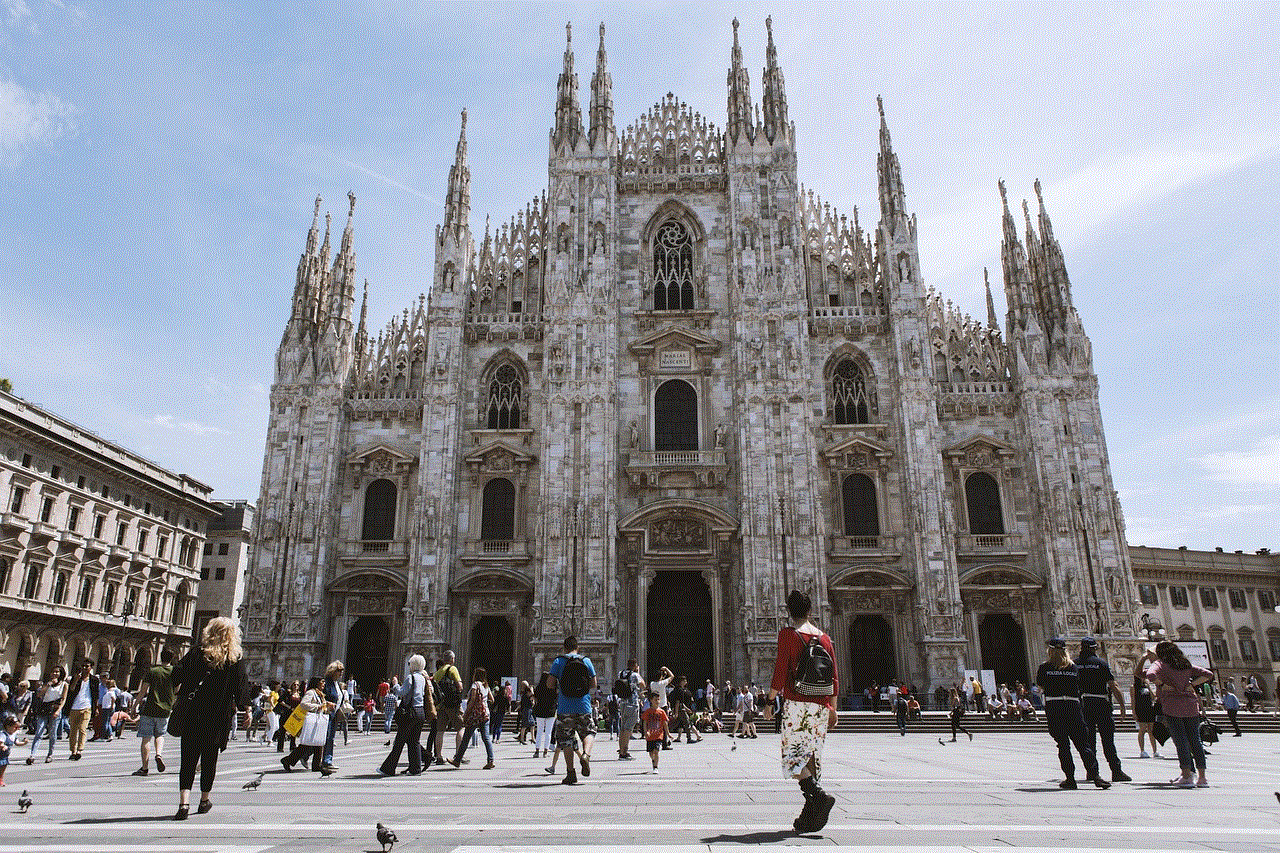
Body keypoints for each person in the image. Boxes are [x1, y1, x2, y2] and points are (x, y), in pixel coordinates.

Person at [768, 590, 839, 835]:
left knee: (793, 759)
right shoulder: (825, 638)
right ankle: (809, 816)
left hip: (798, 703)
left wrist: (769, 701)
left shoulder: (789, 634)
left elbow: (780, 670)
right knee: (811, 759)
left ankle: (818, 797)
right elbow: (834, 676)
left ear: (789, 611)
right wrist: (833, 708)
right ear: (811, 611)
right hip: (821, 706)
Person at [170, 616, 248, 819]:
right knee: (209, 759)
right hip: (217, 717)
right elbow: (240, 688)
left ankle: (184, 803)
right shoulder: (234, 658)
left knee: (187, 759)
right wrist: (245, 710)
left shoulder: (197, 652)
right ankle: (204, 799)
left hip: (192, 714)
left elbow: (176, 675)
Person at [1036, 637, 1109, 790]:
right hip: (1073, 706)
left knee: (1063, 745)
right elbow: (1079, 685)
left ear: (1050, 650)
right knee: (1083, 744)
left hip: (1054, 706)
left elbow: (1040, 685)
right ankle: (1095, 776)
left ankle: (1070, 778)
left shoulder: (1045, 667)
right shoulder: (1073, 668)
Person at [1141, 642, 1213, 788]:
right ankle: (1202, 778)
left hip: (1173, 706)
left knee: (1181, 741)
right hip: (1191, 706)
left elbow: (1150, 674)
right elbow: (1208, 674)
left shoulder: (1161, 663)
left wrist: (1162, 684)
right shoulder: (1184, 664)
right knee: (1195, 741)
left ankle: (1186, 776)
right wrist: (1192, 685)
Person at [1074, 637, 1130, 782]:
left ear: (1081, 648)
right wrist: (1122, 706)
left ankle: (1092, 772)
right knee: (1108, 740)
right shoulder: (1101, 663)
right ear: (1094, 648)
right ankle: (1116, 771)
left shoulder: (1074, 664)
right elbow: (1113, 685)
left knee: (1089, 740)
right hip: (1101, 703)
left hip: (1083, 704)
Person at [549, 635, 597, 785]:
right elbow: (594, 683)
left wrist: (561, 687)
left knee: (566, 740)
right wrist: (581, 690)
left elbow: (549, 684)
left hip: (565, 707)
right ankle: (586, 755)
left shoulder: (559, 661)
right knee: (588, 732)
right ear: (578, 647)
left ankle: (571, 773)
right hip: (584, 705)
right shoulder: (586, 661)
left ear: (564, 648)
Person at [379, 654, 432, 776]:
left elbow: (402, 692)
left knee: (399, 742)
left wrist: (396, 684)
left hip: (410, 713)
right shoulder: (423, 678)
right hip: (420, 712)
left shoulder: (411, 677)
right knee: (414, 741)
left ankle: (388, 769)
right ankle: (416, 769)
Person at [131, 648, 175, 776]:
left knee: (146, 739)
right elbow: (177, 688)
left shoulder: (153, 671)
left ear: (161, 657)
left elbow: (143, 691)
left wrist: (134, 707)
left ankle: (144, 768)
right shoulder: (174, 672)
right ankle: (159, 754)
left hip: (150, 709)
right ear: (172, 658)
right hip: (165, 709)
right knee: (160, 735)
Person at [280, 677, 332, 776]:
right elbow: (303, 704)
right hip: (311, 720)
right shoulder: (311, 693)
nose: (323, 684)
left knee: (318, 742)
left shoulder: (319, 694)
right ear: (316, 683)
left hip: (317, 720)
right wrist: (318, 706)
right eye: (322, 682)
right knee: (307, 744)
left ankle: (316, 765)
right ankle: (288, 760)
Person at [449, 667, 494, 770]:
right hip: (485, 714)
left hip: (475, 716)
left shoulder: (475, 685)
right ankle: (491, 760)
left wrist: (466, 714)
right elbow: (492, 699)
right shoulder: (486, 686)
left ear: (475, 675)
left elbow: (472, 700)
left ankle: (457, 760)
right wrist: (485, 704)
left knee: (466, 738)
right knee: (486, 738)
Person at [27, 667, 66, 764]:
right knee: (39, 732)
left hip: (55, 709)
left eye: (57, 672)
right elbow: (39, 695)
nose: (54, 673)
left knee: (52, 734)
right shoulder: (47, 684)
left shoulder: (64, 684)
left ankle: (50, 754)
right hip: (44, 708)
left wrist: (58, 711)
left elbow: (63, 699)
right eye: (53, 672)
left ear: (61, 673)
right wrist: (48, 685)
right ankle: (32, 755)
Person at [431, 652, 463, 766]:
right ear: (452, 659)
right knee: (460, 728)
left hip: (440, 705)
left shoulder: (438, 672)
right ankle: (458, 755)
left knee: (440, 731)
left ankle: (439, 756)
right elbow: (460, 686)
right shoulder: (452, 669)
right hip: (452, 704)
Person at [64, 661, 100, 760]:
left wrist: (96, 708)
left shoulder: (94, 680)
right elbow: (71, 690)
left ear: (91, 667)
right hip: (74, 707)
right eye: (83, 666)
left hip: (87, 707)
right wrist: (75, 680)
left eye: (87, 666)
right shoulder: (76, 678)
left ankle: (80, 750)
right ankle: (73, 751)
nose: (84, 668)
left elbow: (96, 695)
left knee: (83, 728)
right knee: (73, 731)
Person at [614, 659, 644, 760]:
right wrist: (638, 672)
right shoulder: (635, 675)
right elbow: (643, 685)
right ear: (635, 665)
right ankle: (624, 752)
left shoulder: (620, 673)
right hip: (632, 704)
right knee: (628, 728)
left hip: (622, 703)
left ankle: (621, 750)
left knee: (623, 728)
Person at [320, 660, 347, 773]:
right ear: (333, 671)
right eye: (339, 671)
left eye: (341, 671)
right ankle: (325, 761)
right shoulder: (327, 683)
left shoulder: (336, 684)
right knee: (324, 738)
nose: (341, 674)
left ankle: (327, 761)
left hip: (334, 714)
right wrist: (326, 703)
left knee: (329, 738)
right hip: (326, 714)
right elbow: (320, 697)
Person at [1131, 672, 1159, 758]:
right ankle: (1142, 750)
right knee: (1142, 730)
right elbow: (1133, 700)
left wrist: (1149, 686)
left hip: (1150, 710)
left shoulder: (1147, 686)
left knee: (1151, 731)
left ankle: (1155, 751)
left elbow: (1154, 697)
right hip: (1141, 710)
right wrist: (1134, 712)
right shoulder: (1134, 687)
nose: (1144, 678)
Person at [640, 690, 668, 773]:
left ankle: (655, 767)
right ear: (651, 700)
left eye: (658, 699)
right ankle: (653, 760)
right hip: (650, 735)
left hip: (659, 735)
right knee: (651, 753)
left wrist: (668, 733)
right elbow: (644, 722)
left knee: (656, 751)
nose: (657, 701)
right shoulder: (647, 712)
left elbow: (665, 723)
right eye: (655, 699)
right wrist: (645, 732)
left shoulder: (662, 711)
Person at [0, 711, 28, 786]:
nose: (17, 729)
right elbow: (0, 742)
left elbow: (17, 743)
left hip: (5, 755)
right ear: (8, 726)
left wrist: (24, 743)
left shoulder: (13, 735)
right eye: (15, 727)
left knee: (3, 767)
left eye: (18, 728)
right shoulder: (3, 734)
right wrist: (3, 746)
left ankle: (1, 779)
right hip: (1, 754)